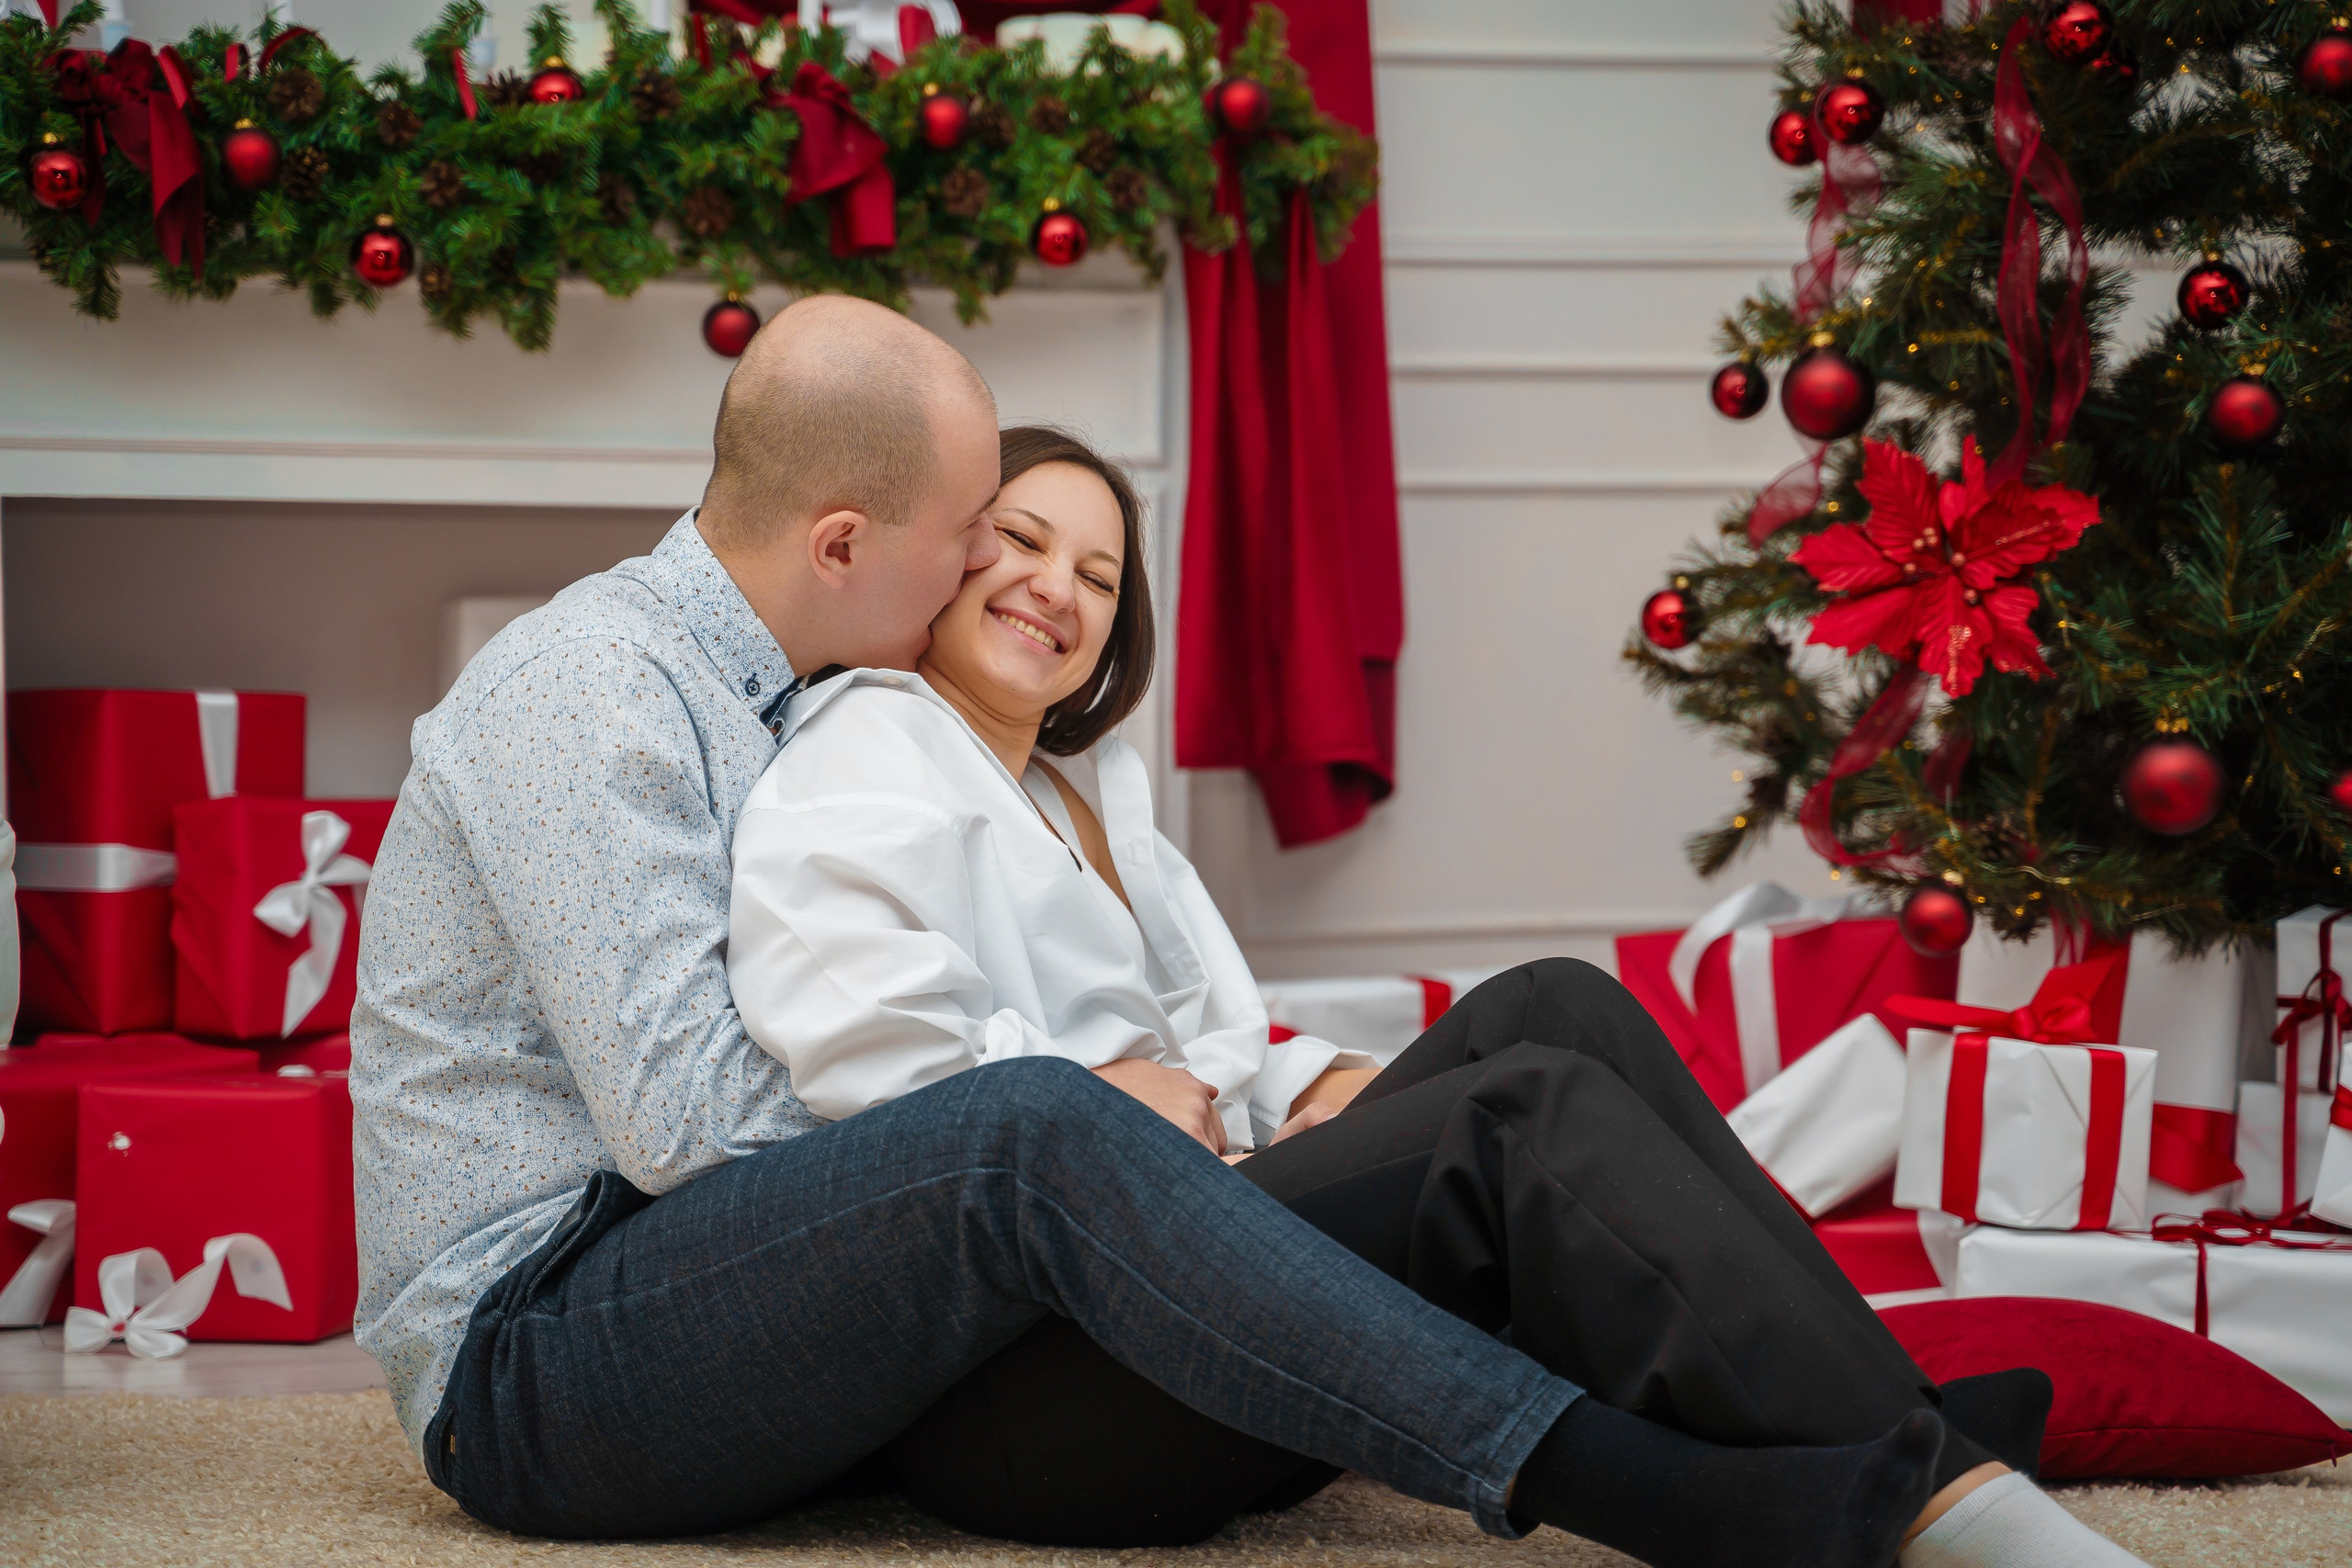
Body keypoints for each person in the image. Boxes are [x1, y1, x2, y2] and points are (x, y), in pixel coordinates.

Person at [349, 300, 2132, 1568]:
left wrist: (1227, 1124)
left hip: (750, 1301)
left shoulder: (778, 689)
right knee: (1037, 1120)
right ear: (843, 541)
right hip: (543, 1349)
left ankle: (1890, 1420)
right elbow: (687, 1130)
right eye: (973, 531)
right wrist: (1106, 1143)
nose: (995, 567)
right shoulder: (595, 690)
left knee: (1541, 1012)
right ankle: (1660, 1483)